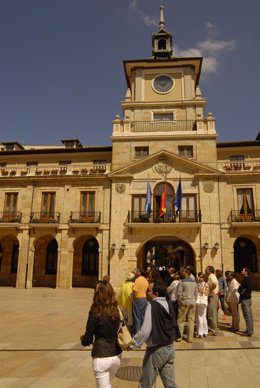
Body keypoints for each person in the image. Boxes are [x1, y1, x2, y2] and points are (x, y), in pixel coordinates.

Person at [132, 279, 178, 388]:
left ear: (155, 294)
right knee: (170, 384)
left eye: (149, 291)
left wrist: (135, 342)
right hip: (169, 348)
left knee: (145, 384)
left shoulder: (152, 306)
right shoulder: (169, 303)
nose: (147, 292)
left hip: (156, 350)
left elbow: (145, 330)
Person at [80, 280, 122, 388]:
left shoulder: (95, 312)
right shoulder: (117, 310)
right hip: (116, 356)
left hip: (101, 356)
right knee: (108, 385)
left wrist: (83, 340)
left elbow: (88, 339)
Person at [177, 267, 197, 343]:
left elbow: (179, 293)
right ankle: (190, 338)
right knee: (191, 320)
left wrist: (180, 301)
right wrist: (194, 300)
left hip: (184, 302)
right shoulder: (194, 282)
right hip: (192, 302)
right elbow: (196, 294)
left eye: (183, 272)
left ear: (186, 273)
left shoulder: (182, 282)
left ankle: (179, 337)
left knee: (181, 320)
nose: (182, 273)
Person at [132, 269, 149, 334]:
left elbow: (135, 291)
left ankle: (137, 334)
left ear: (139, 273)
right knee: (142, 317)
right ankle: (142, 333)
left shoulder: (137, 280)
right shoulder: (146, 280)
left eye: (138, 271)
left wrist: (134, 299)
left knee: (137, 317)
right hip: (144, 299)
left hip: (138, 299)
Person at [238, 268, 254, 337]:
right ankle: (250, 330)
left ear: (246, 272)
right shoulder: (249, 279)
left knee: (247, 316)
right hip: (248, 299)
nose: (241, 271)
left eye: (243, 270)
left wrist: (239, 288)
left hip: (245, 300)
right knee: (249, 316)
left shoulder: (246, 280)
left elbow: (240, 289)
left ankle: (249, 332)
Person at [205, 266, 219, 335]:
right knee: (212, 313)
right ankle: (213, 328)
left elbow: (214, 283)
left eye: (206, 269)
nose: (205, 270)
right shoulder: (210, 276)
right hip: (212, 296)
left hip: (213, 296)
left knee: (212, 313)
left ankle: (214, 330)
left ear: (210, 270)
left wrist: (211, 290)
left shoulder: (211, 276)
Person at [195, 273, 209, 338]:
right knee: (204, 317)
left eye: (201, 277)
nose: (199, 278)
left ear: (203, 278)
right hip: (205, 301)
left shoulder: (199, 284)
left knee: (199, 317)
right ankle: (205, 332)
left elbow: (198, 294)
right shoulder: (207, 284)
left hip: (200, 301)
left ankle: (200, 333)